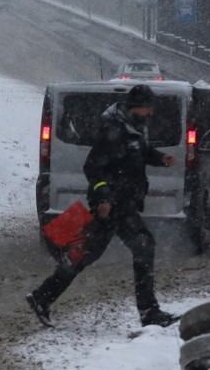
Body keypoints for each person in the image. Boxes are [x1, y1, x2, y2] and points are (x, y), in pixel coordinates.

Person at [27, 84, 179, 328]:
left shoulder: (135, 128)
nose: (151, 112)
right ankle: (149, 312)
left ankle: (42, 296)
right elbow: (93, 167)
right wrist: (104, 198)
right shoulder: (115, 130)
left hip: (122, 203)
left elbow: (139, 153)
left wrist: (160, 158)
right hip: (114, 204)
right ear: (135, 107)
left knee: (84, 254)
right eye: (147, 107)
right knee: (143, 246)